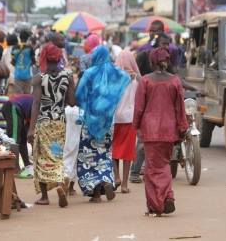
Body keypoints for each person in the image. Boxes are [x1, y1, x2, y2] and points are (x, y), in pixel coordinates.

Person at [133, 47, 188, 216]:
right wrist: (182, 127)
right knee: (164, 163)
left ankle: (156, 205)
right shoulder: (175, 81)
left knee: (151, 169)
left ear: (152, 62)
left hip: (150, 130)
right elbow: (180, 106)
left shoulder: (145, 81)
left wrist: (136, 126)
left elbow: (139, 108)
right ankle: (167, 197)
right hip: (168, 129)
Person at [75, 46, 130, 203]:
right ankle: (105, 181)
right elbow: (126, 78)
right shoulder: (115, 72)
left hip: (89, 122)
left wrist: (87, 105)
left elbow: (79, 94)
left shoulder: (89, 73)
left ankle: (96, 193)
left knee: (88, 158)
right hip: (107, 122)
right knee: (104, 155)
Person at [27, 43, 75, 207]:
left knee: (41, 158)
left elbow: (36, 103)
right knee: (58, 155)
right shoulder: (68, 76)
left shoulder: (39, 77)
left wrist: (31, 128)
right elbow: (71, 102)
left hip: (44, 123)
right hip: (60, 122)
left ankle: (45, 197)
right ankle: (61, 184)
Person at [112, 50, 141, 193]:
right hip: (130, 118)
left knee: (114, 149)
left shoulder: (113, 78)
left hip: (114, 118)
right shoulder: (136, 80)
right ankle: (124, 185)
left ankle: (116, 177)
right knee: (128, 152)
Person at [2, 94, 34, 178]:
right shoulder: (40, 105)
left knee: (22, 139)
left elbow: (29, 130)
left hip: (18, 110)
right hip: (13, 107)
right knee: (14, 139)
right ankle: (15, 168)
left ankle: (27, 165)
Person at [12, 25, 35, 94]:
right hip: (27, 75)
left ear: (19, 37)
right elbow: (33, 61)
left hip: (18, 75)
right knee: (27, 95)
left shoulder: (15, 48)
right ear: (28, 38)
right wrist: (27, 65)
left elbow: (13, 62)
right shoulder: (30, 48)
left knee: (18, 96)